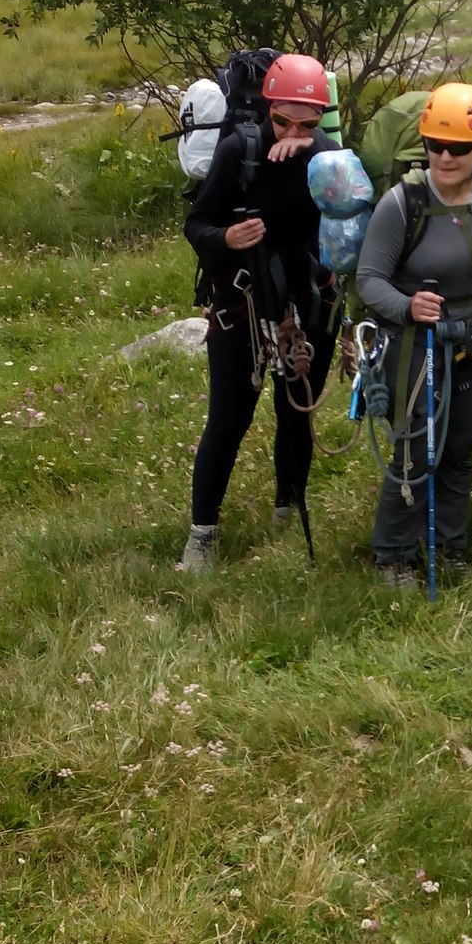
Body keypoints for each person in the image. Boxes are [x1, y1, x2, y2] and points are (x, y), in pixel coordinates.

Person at [356, 84, 472, 586]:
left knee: (459, 445)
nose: (445, 156)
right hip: (415, 342)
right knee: (416, 446)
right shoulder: (402, 203)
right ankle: (393, 554)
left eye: (458, 147)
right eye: (435, 145)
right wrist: (409, 307)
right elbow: (369, 279)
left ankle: (448, 544)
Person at [179, 53, 338, 572]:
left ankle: (286, 513)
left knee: (297, 409)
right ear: (266, 111)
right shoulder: (238, 152)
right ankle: (201, 535)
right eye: (282, 120)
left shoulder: (332, 160)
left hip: (309, 300)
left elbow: (361, 216)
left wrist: (320, 156)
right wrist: (226, 237)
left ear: (321, 119)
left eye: (307, 123)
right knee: (229, 418)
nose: (293, 132)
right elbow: (197, 224)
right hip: (243, 302)